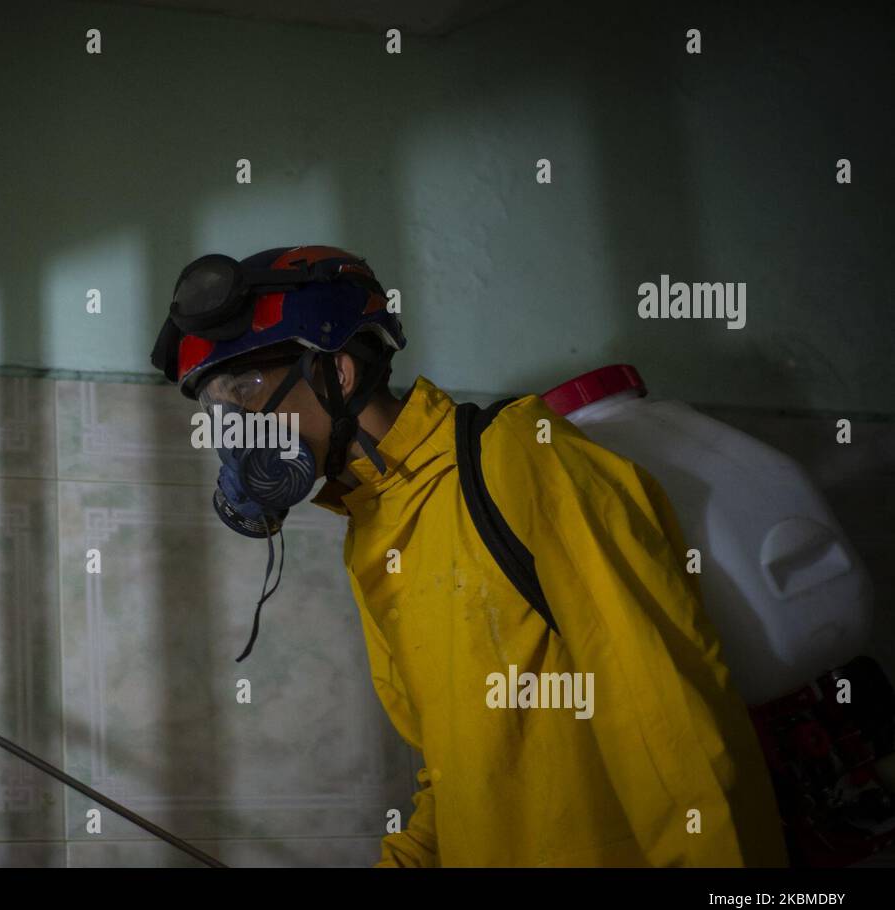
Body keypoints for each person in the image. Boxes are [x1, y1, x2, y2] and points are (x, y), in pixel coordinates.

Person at [150, 245, 789, 867]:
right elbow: (458, 774)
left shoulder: (516, 459)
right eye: (220, 407)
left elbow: (672, 732)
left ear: (336, 371)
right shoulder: (371, 530)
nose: (235, 428)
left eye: (250, 389)